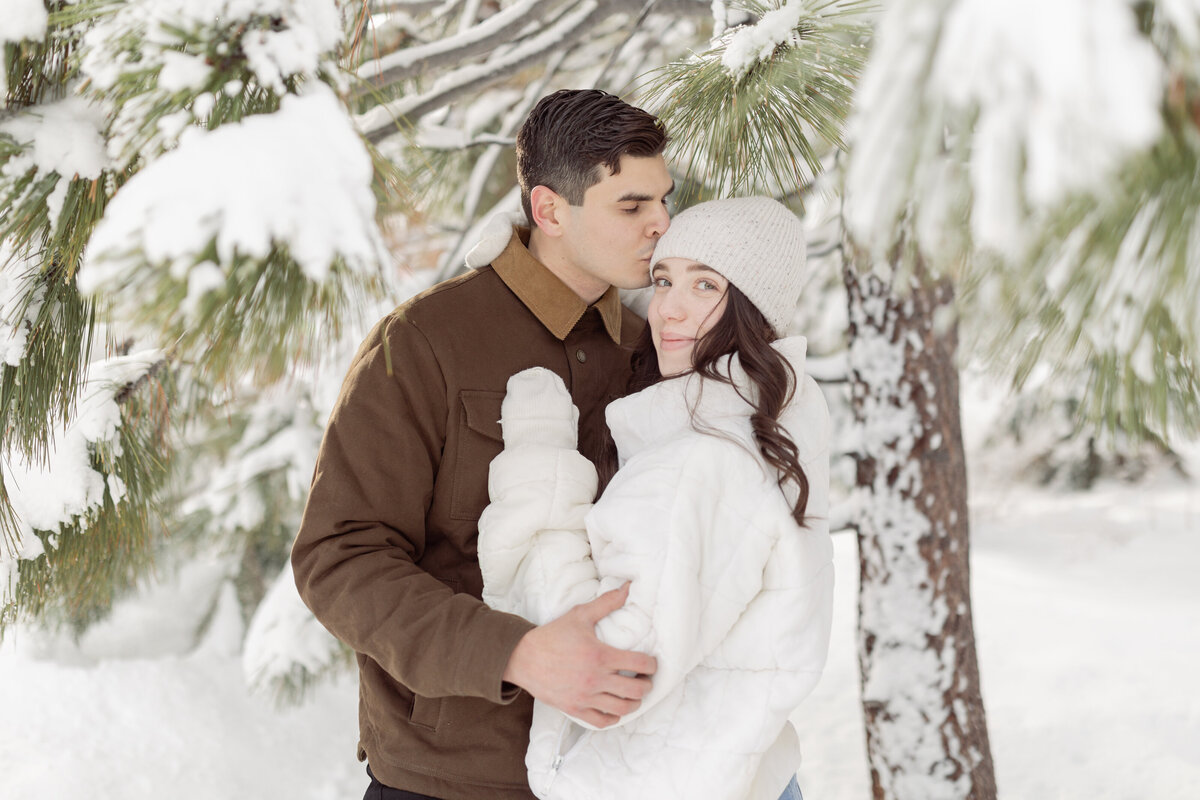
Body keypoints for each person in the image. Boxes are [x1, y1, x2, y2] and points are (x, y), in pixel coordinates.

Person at [291, 89, 675, 800]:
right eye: (632, 206)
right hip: (450, 779)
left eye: (663, 200)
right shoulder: (427, 341)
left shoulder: (654, 349)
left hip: (614, 773)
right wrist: (517, 654)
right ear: (549, 210)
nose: (661, 224)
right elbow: (338, 556)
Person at [478, 196, 834, 800]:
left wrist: (540, 465)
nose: (669, 306)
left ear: (752, 308)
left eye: (705, 285)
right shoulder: (766, 428)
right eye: (664, 278)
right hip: (740, 774)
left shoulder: (700, 463)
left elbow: (610, 669)